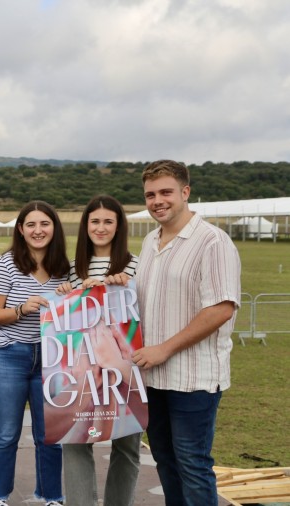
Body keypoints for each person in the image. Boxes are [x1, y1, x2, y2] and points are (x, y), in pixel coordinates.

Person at [131, 160, 240, 505]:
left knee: (193, 463)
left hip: (193, 378)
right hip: (152, 378)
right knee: (165, 461)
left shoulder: (213, 242)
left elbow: (222, 307)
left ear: (185, 192)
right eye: (150, 194)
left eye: (166, 192)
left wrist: (165, 348)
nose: (158, 200)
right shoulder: (150, 241)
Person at [55, 195, 142, 506]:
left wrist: (123, 285)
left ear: (119, 226)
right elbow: (62, 319)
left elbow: (138, 317)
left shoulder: (135, 264)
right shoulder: (72, 268)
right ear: (85, 225)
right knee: (76, 438)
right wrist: (67, 291)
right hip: (81, 366)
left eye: (108, 221)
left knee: (128, 442)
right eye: (95, 221)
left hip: (121, 362)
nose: (101, 228)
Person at [0, 200, 69, 506]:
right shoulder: (6, 264)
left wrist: (70, 295)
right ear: (20, 230)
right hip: (9, 356)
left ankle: (52, 497)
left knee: (49, 434)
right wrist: (21, 308)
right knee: (6, 433)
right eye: (30, 225)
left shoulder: (66, 269)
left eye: (44, 224)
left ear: (54, 228)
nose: (38, 230)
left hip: (51, 358)